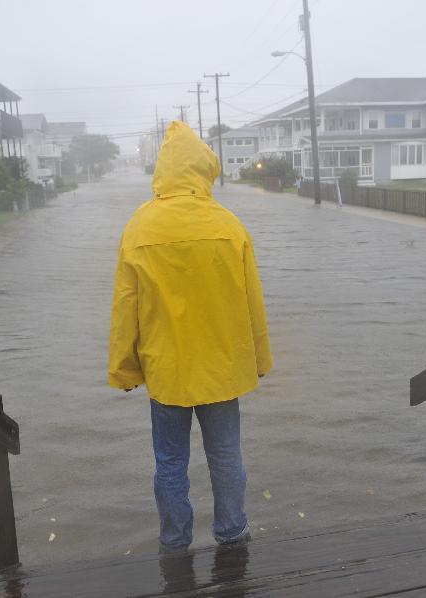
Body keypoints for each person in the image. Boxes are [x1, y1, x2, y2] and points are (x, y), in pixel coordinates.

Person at [108, 121, 273, 553]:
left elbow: (126, 307)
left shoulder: (139, 228)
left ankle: (175, 544)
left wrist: (125, 369)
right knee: (226, 457)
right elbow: (253, 302)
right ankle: (233, 534)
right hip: (222, 369)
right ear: (204, 169)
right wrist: (258, 360)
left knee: (169, 463)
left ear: (163, 170)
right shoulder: (229, 225)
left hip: (167, 370)